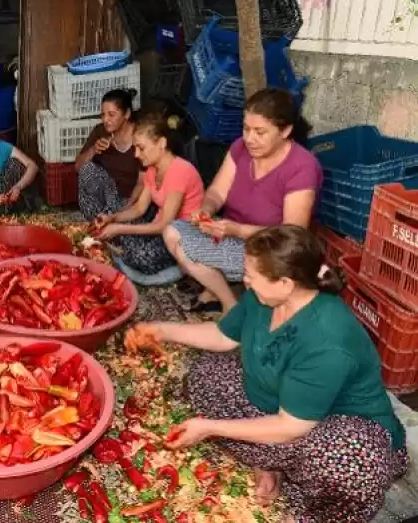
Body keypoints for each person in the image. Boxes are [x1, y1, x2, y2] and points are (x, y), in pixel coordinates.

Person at [126, 225, 407, 523]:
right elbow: (223, 336)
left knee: (350, 466)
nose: (244, 281)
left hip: (336, 428)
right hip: (281, 405)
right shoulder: (264, 298)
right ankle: (271, 462)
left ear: (285, 283)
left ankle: (300, 495)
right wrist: (162, 330)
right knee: (206, 375)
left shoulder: (328, 340)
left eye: (250, 275)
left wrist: (209, 427)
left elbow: (291, 426)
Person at [162, 88, 322, 313]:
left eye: (260, 132)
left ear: (285, 131)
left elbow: (292, 233)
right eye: (246, 129)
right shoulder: (240, 148)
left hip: (273, 249)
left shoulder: (302, 167)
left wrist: (237, 230)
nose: (250, 139)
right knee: (172, 232)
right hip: (233, 234)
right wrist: (205, 210)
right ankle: (222, 291)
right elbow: (217, 192)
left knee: (184, 248)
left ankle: (228, 302)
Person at [95, 113, 203, 277]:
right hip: (158, 227)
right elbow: (139, 208)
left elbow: (164, 225)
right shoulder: (152, 170)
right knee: (114, 210)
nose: (136, 154)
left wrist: (119, 228)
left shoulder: (180, 171)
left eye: (141, 148)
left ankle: (125, 253)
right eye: (135, 148)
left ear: (161, 143)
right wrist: (113, 218)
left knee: (141, 257)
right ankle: (122, 249)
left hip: (180, 236)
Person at [76, 88, 145, 221]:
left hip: (133, 202)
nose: (106, 119)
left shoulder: (141, 136)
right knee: (87, 169)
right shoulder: (100, 132)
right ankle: (98, 222)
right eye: (103, 115)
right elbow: (78, 167)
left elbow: (143, 183)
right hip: (108, 198)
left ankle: (109, 223)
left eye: (111, 114)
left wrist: (125, 210)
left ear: (127, 114)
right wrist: (93, 150)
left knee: (130, 231)